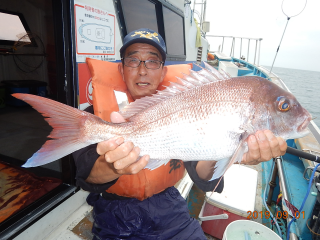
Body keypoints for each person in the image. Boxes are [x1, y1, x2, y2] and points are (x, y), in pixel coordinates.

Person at [73, 28, 287, 240]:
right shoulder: (95, 117)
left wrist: (233, 154)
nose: (143, 70)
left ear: (163, 71)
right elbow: (84, 176)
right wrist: (113, 165)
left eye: (152, 61)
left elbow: (202, 176)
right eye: (133, 60)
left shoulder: (185, 104)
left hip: (168, 206)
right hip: (114, 210)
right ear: (121, 69)